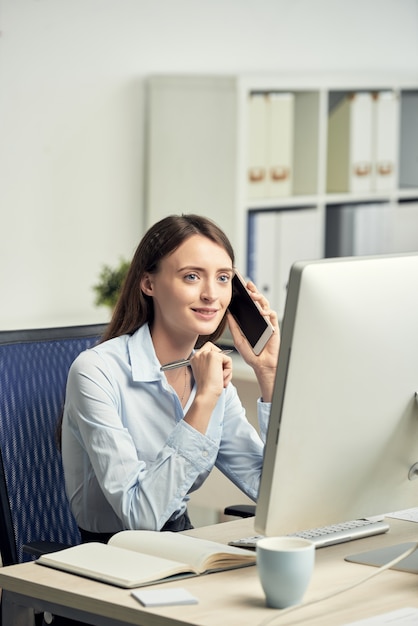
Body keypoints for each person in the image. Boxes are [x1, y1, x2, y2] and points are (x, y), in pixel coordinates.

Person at [61, 214, 280, 542]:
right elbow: (141, 518)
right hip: (111, 557)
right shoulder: (95, 371)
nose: (211, 294)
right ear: (149, 284)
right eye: (192, 276)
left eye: (223, 278)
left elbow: (273, 492)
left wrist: (269, 375)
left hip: (179, 545)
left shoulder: (208, 373)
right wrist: (204, 401)